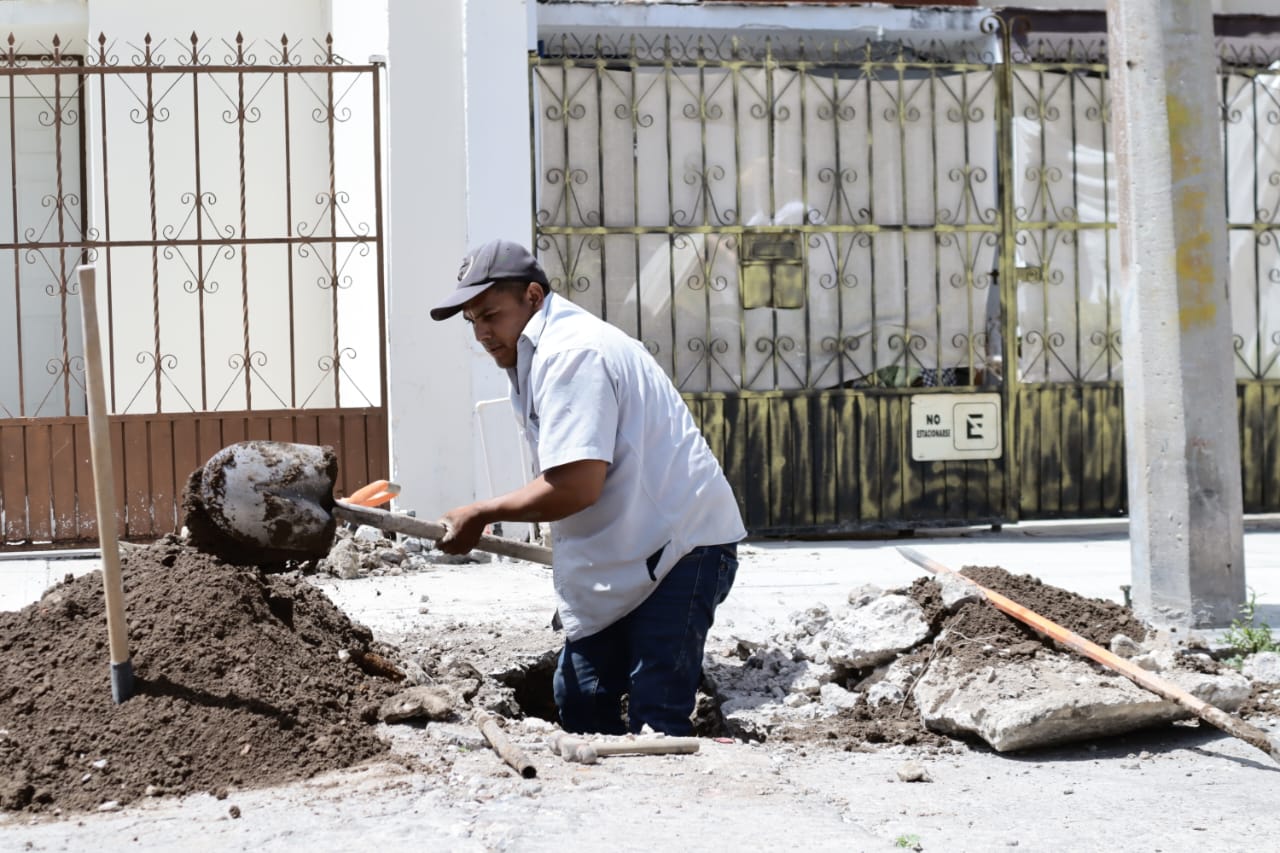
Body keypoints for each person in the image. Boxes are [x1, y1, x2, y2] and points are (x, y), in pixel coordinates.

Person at [430, 238, 746, 736]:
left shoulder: (572, 352)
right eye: (472, 321)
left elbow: (576, 486)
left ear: (533, 296)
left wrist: (483, 513)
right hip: (628, 549)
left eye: (490, 315)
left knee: (656, 709)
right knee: (582, 699)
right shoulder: (536, 353)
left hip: (681, 548)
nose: (482, 333)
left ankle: (664, 785)